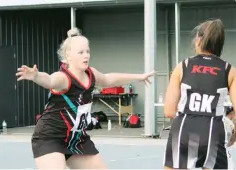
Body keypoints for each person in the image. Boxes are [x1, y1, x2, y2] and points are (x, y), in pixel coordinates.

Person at [16, 27, 155, 169]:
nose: (86, 55)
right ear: (68, 56)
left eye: (87, 51)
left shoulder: (91, 74)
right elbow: (50, 80)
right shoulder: (63, 78)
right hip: (50, 137)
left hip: (76, 138)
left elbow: (108, 79)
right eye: (81, 52)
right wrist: (36, 76)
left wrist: (139, 77)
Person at [163, 19, 236, 169]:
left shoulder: (183, 66)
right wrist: (235, 135)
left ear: (198, 40)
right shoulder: (230, 71)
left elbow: (169, 111)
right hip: (213, 132)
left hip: (183, 129)